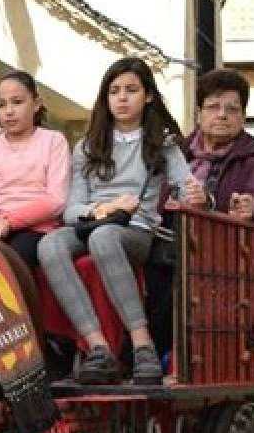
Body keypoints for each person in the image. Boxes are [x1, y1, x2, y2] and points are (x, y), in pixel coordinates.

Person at [38, 57, 198, 386]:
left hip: (136, 231)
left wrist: (198, 196)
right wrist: (102, 209)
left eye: (131, 90)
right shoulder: (87, 147)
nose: (121, 98)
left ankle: (143, 347)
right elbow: (71, 211)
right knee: (50, 243)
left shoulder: (162, 145)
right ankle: (98, 348)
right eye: (114, 91)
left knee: (105, 238)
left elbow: (190, 187)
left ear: (149, 96)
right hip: (95, 223)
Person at [0, 69, 70, 271]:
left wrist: (10, 221)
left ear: (36, 104)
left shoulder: (54, 141)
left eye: (17, 102)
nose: (8, 111)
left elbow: (56, 200)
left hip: (37, 230)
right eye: (2, 105)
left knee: (8, 262)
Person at [185, 68, 254, 224]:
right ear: (199, 114)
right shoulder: (177, 150)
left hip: (229, 241)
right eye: (213, 107)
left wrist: (252, 207)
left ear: (243, 116)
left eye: (232, 109)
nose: (222, 115)